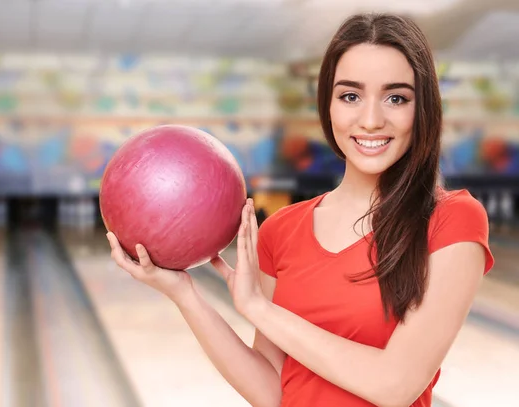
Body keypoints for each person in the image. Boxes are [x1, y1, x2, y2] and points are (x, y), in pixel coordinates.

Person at [106, 12, 495, 407]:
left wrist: (260, 309)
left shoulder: (452, 220)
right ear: (328, 106)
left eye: (396, 98)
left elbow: (394, 385)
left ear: (423, 107)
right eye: (350, 96)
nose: (372, 119)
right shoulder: (281, 230)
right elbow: (273, 391)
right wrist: (185, 295)